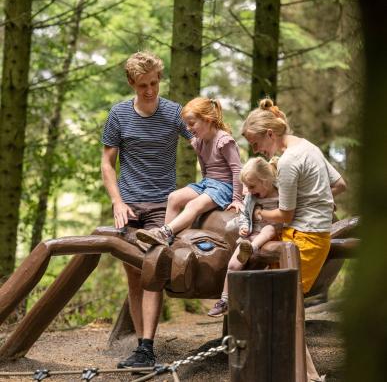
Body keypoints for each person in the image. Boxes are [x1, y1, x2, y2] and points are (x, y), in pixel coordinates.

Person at [101, 51, 193, 368]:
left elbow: (204, 141)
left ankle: (147, 347)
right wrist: (117, 202)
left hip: (162, 207)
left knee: (152, 270)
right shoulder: (118, 115)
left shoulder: (174, 113)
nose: (150, 91)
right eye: (143, 85)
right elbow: (107, 164)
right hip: (128, 206)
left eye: (154, 83)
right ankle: (142, 347)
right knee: (134, 276)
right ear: (131, 83)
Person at [242, 97, 347, 295]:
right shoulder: (308, 146)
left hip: (305, 237)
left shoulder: (288, 161)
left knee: (282, 294)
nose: (256, 151)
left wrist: (258, 213)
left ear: (270, 134)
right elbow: (340, 185)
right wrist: (319, 200)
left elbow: (285, 215)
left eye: (255, 143)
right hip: (310, 232)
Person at [136, 97, 244, 246]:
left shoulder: (224, 140)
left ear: (208, 120)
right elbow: (205, 169)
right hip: (208, 184)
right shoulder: (198, 142)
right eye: (186, 124)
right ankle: (166, 239)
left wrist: (237, 198)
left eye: (191, 124)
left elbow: (237, 169)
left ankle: (165, 232)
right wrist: (204, 190)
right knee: (174, 197)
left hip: (224, 186)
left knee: (193, 205)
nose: (187, 128)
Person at [208, 156, 282, 317]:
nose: (249, 190)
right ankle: (224, 300)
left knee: (269, 229)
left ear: (266, 180)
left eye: (252, 186)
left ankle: (252, 249)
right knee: (233, 265)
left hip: (272, 233)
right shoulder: (251, 197)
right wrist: (243, 227)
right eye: (247, 186)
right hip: (251, 234)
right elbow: (245, 216)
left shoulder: (282, 192)